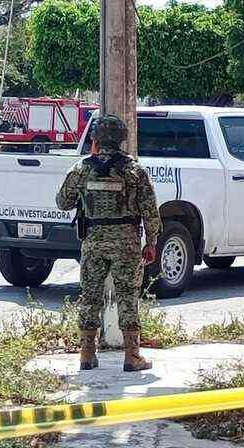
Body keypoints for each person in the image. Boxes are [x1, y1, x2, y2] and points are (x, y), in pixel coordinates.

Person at [56, 115, 161, 373]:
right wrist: (151, 243)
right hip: (126, 244)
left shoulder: (81, 168)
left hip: (93, 242)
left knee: (90, 296)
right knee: (128, 297)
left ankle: (87, 354)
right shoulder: (134, 170)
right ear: (122, 139)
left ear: (95, 139)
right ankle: (132, 356)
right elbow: (150, 211)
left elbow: (63, 202)